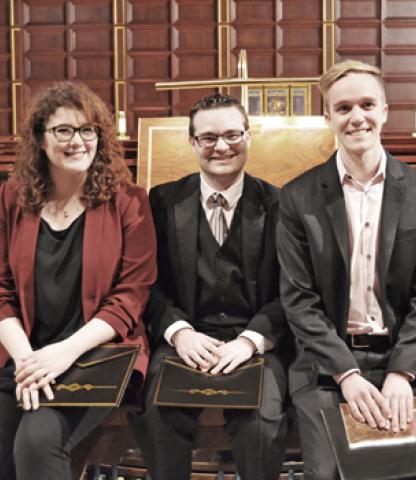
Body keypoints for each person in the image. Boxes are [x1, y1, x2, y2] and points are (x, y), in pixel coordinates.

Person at [277, 60, 416, 480]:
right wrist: (347, 375)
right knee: (328, 474)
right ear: (329, 118)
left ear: (385, 111)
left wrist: (400, 374)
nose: (357, 117)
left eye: (367, 104)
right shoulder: (298, 196)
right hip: (327, 366)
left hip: (401, 360)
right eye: (343, 108)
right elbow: (299, 300)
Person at [0, 82, 157, 480]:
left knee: (37, 442)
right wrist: (27, 361)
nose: (78, 141)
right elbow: (1, 290)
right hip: (25, 354)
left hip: (95, 355)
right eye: (63, 130)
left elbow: (130, 298)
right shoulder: (13, 198)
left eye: (88, 130)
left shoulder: (129, 201)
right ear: (40, 137)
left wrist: (62, 354)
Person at [130, 93, 288, 480]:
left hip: (253, 344)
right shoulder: (163, 201)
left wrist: (250, 341)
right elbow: (148, 283)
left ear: (249, 137)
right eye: (208, 137)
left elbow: (293, 291)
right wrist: (179, 333)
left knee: (260, 423)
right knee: (157, 415)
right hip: (184, 339)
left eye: (233, 135)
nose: (221, 146)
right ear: (192, 143)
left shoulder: (281, 204)